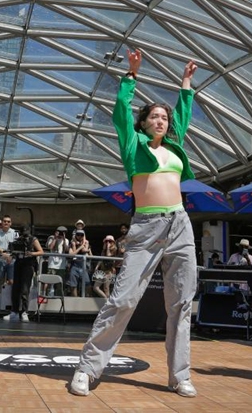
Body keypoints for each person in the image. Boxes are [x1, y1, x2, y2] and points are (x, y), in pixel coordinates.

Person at [70, 49, 199, 398]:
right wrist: (131, 76)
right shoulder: (133, 145)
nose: (160, 121)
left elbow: (184, 115)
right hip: (146, 226)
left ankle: (180, 375)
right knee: (124, 299)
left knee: (181, 303)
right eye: (153, 117)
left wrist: (186, 84)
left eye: (164, 118)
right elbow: (120, 115)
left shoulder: (174, 147)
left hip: (180, 225)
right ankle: (87, 368)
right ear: (143, 123)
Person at [1, 230, 43, 322]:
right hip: (19, 263)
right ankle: (14, 312)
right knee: (15, 288)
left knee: (25, 289)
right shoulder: (18, 239)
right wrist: (10, 254)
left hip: (28, 264)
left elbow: (41, 251)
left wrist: (31, 253)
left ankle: (24, 311)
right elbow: (14, 251)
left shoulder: (33, 239)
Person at [66, 230, 92, 297]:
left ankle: (87, 298)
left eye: (81, 235)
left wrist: (88, 249)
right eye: (78, 234)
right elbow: (72, 255)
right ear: (75, 235)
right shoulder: (72, 244)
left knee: (88, 284)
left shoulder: (86, 244)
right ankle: (75, 300)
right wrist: (80, 247)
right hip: (74, 266)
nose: (80, 236)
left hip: (83, 266)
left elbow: (91, 256)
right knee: (73, 285)